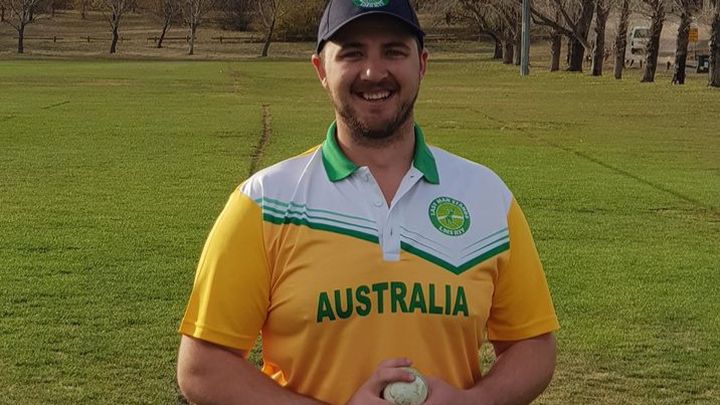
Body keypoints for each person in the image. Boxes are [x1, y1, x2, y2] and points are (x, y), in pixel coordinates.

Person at [176, 1, 560, 404]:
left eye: (393, 51)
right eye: (352, 53)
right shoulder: (263, 203)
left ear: (422, 64)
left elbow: (532, 345)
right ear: (321, 70)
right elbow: (203, 366)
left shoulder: (486, 195)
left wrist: (473, 402)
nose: (374, 72)